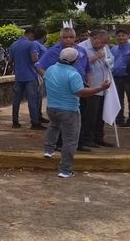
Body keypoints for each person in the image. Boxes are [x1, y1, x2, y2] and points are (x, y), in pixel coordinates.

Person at [43, 47, 111, 178]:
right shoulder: (73, 74)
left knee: (53, 127)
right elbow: (80, 92)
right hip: (69, 110)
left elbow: (46, 79)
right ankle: (65, 170)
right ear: (75, 61)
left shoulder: (50, 69)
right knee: (70, 140)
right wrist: (100, 88)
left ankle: (48, 150)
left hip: (51, 107)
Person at [77, 30, 114, 149]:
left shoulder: (105, 47)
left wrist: (109, 61)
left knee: (100, 114)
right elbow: (79, 65)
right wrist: (95, 57)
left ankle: (98, 137)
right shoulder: (81, 47)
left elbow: (111, 59)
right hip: (91, 87)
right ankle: (86, 138)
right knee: (89, 115)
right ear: (95, 38)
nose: (104, 45)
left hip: (104, 86)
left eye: (105, 43)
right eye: (102, 42)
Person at [10, 27, 43, 129]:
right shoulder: (31, 44)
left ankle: (15, 122)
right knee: (32, 100)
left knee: (16, 100)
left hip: (18, 76)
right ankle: (35, 122)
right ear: (31, 35)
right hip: (30, 76)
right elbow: (34, 59)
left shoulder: (13, 44)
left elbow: (11, 60)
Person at [110, 29, 130, 126]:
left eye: (123, 35)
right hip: (116, 77)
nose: (121, 38)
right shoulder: (113, 49)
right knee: (118, 99)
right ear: (116, 37)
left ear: (128, 36)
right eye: (119, 36)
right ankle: (119, 118)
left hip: (128, 77)